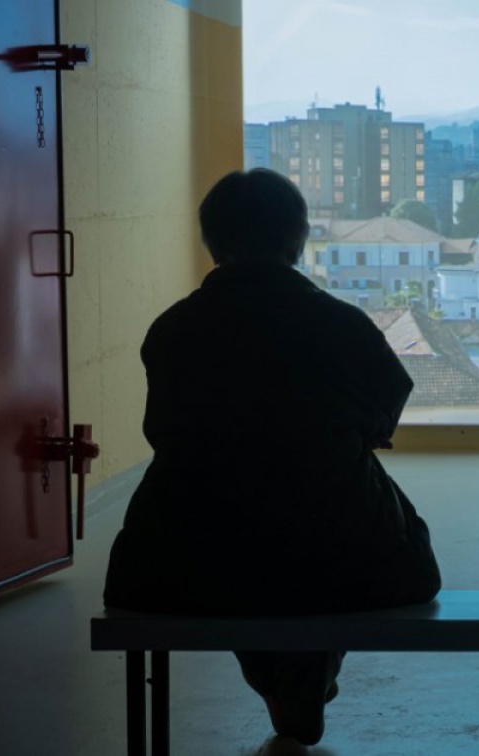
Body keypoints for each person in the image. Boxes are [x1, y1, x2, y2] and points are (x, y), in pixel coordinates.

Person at [103, 168, 442, 746]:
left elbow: (164, 431)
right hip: (345, 557)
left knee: (233, 553)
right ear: (298, 239)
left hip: (179, 564)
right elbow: (386, 406)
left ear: (212, 242)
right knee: (338, 541)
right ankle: (301, 672)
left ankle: (281, 677)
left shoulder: (173, 330)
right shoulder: (342, 325)